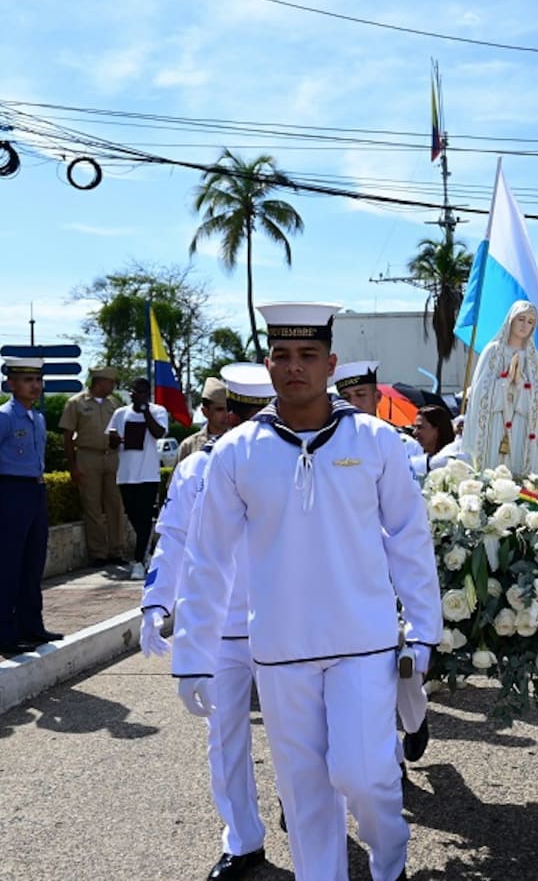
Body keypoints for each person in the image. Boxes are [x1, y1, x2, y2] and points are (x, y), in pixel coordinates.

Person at [173, 302, 442, 881]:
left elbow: (409, 539)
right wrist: (193, 655)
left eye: (308, 356)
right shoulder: (236, 451)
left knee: (365, 776)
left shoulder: (375, 441)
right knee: (306, 796)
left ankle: (389, 861)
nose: (295, 367)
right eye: (284, 356)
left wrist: (424, 629)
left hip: (363, 642)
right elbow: (208, 559)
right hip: (280, 649)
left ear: (330, 363)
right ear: (269, 364)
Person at [142, 363, 275, 880]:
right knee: (224, 738)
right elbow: (173, 536)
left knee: (300, 735)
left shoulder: (299, 465)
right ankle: (242, 839)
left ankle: (303, 809)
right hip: (220, 626)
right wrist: (156, 602)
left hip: (284, 624)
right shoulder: (197, 469)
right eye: (240, 415)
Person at [332, 359, 433, 767]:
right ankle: (389, 758)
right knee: (372, 671)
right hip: (355, 573)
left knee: (403, 666)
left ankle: (415, 717)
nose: (355, 404)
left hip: (395, 564)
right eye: (347, 397)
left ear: (377, 397)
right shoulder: (328, 444)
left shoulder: (401, 445)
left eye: (362, 396)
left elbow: (410, 516)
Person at [0, 358, 61, 657]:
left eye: (37, 379)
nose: (34, 385)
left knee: (32, 563)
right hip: (12, 490)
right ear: (11, 384)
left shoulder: (37, 418)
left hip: (36, 490)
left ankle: (31, 626)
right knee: (8, 565)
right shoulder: (1, 417)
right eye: (26, 379)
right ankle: (4, 634)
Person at [463, 300, 538, 475]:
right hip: (494, 419)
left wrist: (520, 384)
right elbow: (481, 393)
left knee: (517, 461)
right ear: (511, 320)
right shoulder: (493, 351)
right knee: (490, 463)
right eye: (521, 319)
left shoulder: (533, 358)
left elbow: (536, 398)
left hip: (521, 420)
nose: (525, 325)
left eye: (530, 322)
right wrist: (506, 382)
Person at [58, 366, 127, 569]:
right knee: (92, 507)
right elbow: (67, 437)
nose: (112, 387)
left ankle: (117, 550)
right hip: (88, 457)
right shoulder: (76, 403)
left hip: (112, 457)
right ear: (99, 382)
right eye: (110, 383)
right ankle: (98, 553)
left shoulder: (114, 403)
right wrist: (73, 466)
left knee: (116, 505)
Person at [107, 378, 168, 580]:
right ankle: (148, 551)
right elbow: (111, 441)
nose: (140, 395)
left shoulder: (158, 411)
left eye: (144, 393)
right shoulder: (120, 413)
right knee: (135, 518)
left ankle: (139, 562)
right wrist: (115, 440)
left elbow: (159, 433)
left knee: (143, 518)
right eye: (137, 392)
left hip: (148, 475)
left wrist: (146, 412)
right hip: (126, 475)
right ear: (131, 393)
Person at [177, 376, 229, 465]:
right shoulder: (189, 446)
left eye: (228, 409)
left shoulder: (239, 442)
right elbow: (177, 477)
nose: (226, 414)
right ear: (205, 412)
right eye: (219, 409)